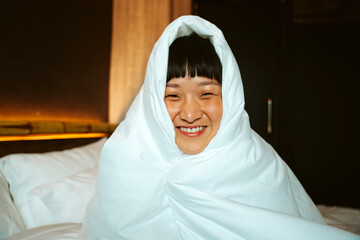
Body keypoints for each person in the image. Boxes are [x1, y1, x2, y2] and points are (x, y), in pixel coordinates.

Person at [77, 16, 359, 239]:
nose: (189, 113)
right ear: (152, 102)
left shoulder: (259, 163)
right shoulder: (123, 158)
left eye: (207, 94)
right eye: (173, 95)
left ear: (231, 96)